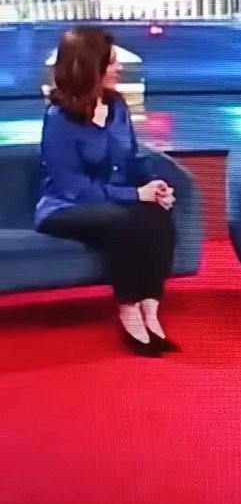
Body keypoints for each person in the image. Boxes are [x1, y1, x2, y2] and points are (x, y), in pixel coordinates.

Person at [35, 27, 178, 355]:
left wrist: (154, 186)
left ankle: (150, 308)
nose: (119, 68)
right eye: (111, 62)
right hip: (64, 207)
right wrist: (134, 195)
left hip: (111, 201)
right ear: (90, 67)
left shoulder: (117, 106)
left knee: (156, 214)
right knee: (121, 222)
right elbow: (74, 188)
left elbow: (133, 158)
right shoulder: (58, 119)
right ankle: (128, 309)